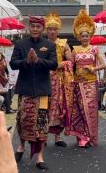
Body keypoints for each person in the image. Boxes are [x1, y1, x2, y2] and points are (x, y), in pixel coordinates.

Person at [10, 15, 58, 170]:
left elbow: (54, 64)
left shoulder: (49, 45)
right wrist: (27, 61)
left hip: (43, 90)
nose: (35, 29)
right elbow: (13, 63)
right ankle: (21, 147)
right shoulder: (20, 44)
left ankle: (40, 156)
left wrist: (38, 60)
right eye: (33, 26)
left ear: (42, 29)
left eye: (38, 27)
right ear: (29, 28)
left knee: (42, 124)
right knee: (23, 120)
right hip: (25, 89)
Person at [66, 9, 106, 148]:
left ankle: (91, 137)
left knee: (90, 110)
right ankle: (82, 136)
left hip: (91, 83)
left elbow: (104, 65)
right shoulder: (75, 50)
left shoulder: (94, 49)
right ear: (78, 36)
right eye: (82, 35)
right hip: (78, 84)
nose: (85, 37)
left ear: (90, 36)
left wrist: (93, 69)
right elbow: (70, 65)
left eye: (87, 35)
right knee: (80, 109)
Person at [45, 11, 74, 147]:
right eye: (49, 29)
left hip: (59, 80)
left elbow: (71, 61)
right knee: (44, 107)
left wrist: (63, 63)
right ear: (46, 30)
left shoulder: (64, 44)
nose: (52, 31)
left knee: (59, 107)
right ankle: (42, 136)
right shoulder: (41, 43)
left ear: (58, 30)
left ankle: (58, 137)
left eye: (54, 29)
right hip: (44, 79)